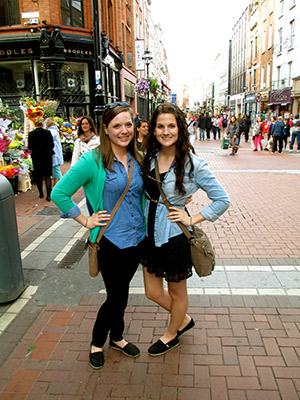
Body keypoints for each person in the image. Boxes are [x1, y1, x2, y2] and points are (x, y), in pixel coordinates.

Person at [51, 102, 146, 369]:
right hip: (109, 241)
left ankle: (117, 337)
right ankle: (97, 341)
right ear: (105, 129)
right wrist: (85, 220)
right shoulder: (92, 160)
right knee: (115, 296)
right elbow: (59, 193)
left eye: (128, 124)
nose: (124, 130)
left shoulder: (138, 157)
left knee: (122, 293)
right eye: (116, 125)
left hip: (137, 240)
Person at [141, 103, 230, 356]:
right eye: (160, 126)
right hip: (149, 234)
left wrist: (192, 219)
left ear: (180, 129)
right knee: (152, 292)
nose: (165, 131)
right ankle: (184, 319)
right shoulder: (149, 157)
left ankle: (172, 334)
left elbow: (222, 199)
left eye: (171, 126)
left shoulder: (193, 164)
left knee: (176, 292)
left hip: (174, 235)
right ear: (153, 129)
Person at [28, 117, 54, 201]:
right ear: (42, 124)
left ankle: (41, 193)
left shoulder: (31, 134)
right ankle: (48, 195)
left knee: (38, 176)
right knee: (47, 176)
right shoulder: (47, 132)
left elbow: (30, 146)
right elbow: (51, 144)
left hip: (36, 156)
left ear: (35, 124)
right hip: (47, 156)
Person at [45, 117, 64, 186]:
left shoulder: (51, 131)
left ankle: (62, 183)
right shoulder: (55, 130)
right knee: (54, 169)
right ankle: (55, 184)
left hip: (53, 152)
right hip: (56, 151)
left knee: (55, 169)